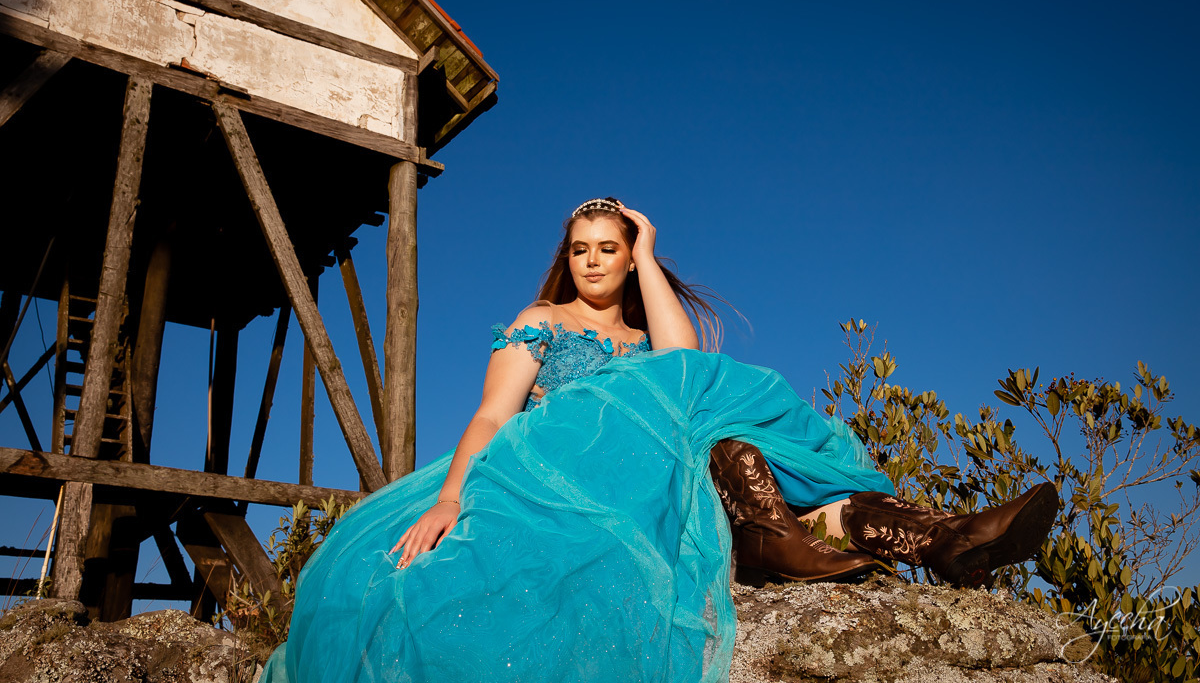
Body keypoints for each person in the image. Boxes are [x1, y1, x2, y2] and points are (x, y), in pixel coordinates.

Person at [262, 197, 1057, 683]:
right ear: (564, 260)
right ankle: (796, 538)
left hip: (669, 480)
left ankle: (950, 537)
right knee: (719, 434)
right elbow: (490, 416)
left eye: (609, 248)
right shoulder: (540, 323)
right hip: (566, 472)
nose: (594, 261)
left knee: (730, 445)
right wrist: (448, 497)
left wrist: (647, 254)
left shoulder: (647, 340)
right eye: (583, 249)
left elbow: (683, 362)